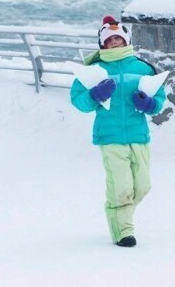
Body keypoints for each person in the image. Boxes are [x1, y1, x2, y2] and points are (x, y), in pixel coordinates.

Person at [70, 15, 166, 247]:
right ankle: (123, 230)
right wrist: (95, 95)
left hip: (138, 135)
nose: (114, 42)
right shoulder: (94, 69)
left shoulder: (143, 67)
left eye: (118, 38)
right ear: (103, 44)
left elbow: (159, 100)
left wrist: (148, 104)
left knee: (142, 186)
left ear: (126, 40)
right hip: (110, 136)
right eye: (110, 39)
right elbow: (78, 102)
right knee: (121, 186)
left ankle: (118, 212)